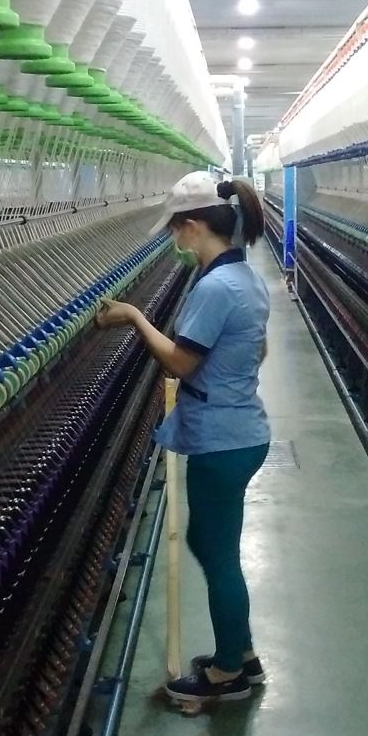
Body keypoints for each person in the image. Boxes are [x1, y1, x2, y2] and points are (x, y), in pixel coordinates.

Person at [96, 172, 271, 706]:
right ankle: (242, 655)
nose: (174, 240)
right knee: (209, 544)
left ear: (194, 226)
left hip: (221, 439)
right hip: (240, 429)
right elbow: (258, 350)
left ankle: (227, 673)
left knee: (218, 556)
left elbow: (180, 362)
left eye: (176, 229)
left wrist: (133, 316)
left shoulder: (215, 288)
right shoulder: (244, 277)